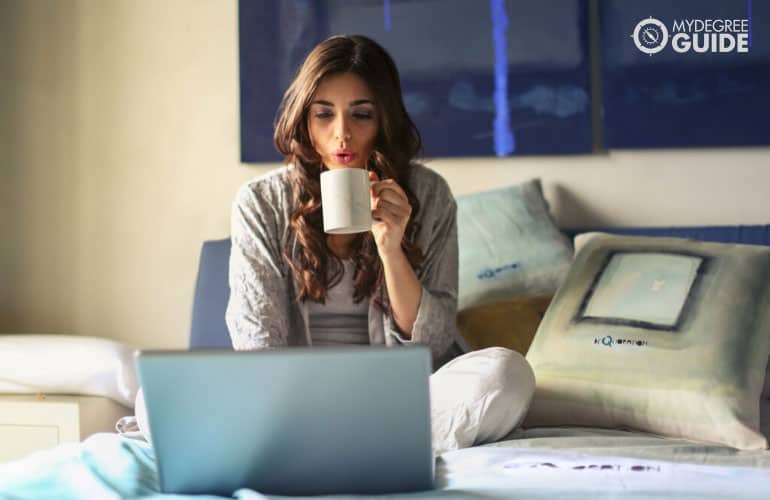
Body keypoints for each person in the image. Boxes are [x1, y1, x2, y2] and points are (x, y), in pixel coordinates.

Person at [224, 34, 535, 455]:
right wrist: (289, 403)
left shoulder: (429, 194)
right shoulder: (261, 202)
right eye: (324, 114)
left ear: (383, 119)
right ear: (304, 119)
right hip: (294, 401)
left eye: (361, 114)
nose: (343, 135)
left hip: (401, 399)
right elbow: (258, 342)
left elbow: (433, 342)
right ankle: (367, 444)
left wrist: (391, 249)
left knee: (507, 374)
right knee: (154, 400)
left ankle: (328, 446)